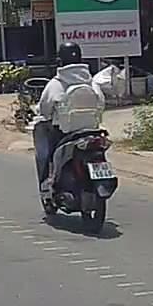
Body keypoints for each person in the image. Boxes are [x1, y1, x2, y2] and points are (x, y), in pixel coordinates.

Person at [34, 41, 103, 193]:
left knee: (43, 139)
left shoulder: (56, 84)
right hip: (91, 130)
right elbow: (101, 103)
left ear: (60, 60)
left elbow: (45, 110)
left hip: (64, 133)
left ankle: (47, 181)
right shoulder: (91, 81)